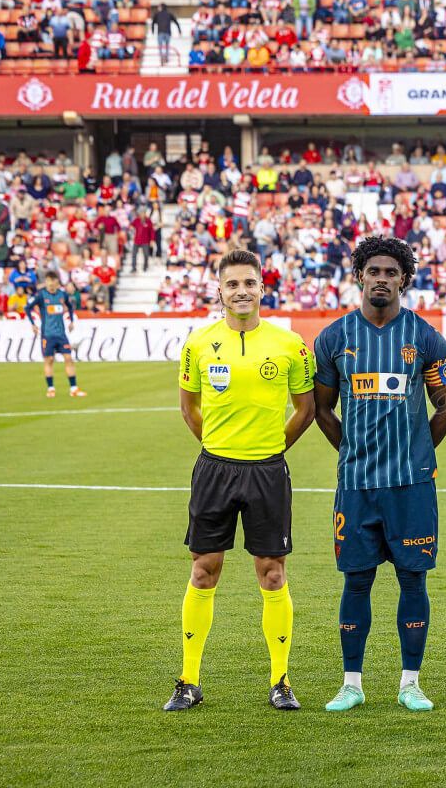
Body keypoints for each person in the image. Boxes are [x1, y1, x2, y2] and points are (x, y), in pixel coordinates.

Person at [164, 249, 316, 712]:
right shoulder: (198, 343)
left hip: (267, 470)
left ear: (262, 288)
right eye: (232, 284)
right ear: (220, 291)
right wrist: (218, 446)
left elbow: (306, 409)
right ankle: (188, 679)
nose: (241, 291)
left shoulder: (290, 345)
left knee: (272, 573)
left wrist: (271, 447)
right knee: (203, 570)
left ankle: (281, 681)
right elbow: (188, 407)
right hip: (215, 468)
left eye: (249, 283)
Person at [313, 236, 446, 712]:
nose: (381, 279)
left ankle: (409, 683)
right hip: (356, 486)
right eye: (373, 271)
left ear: (404, 280)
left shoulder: (425, 337)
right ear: (359, 276)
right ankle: (351, 683)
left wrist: (418, 450)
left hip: (412, 486)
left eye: (390, 273)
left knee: (412, 581)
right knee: (356, 581)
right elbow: (322, 410)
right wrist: (353, 451)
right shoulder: (334, 338)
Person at [27, 271, 86, 398]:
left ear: (57, 283)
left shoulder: (62, 295)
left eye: (53, 281)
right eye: (49, 281)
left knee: (69, 359)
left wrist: (71, 321)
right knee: (49, 360)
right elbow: (27, 308)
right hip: (47, 335)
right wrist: (33, 324)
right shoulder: (41, 296)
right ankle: (50, 388)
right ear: (46, 282)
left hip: (61, 334)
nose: (51, 283)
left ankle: (74, 389)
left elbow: (70, 307)